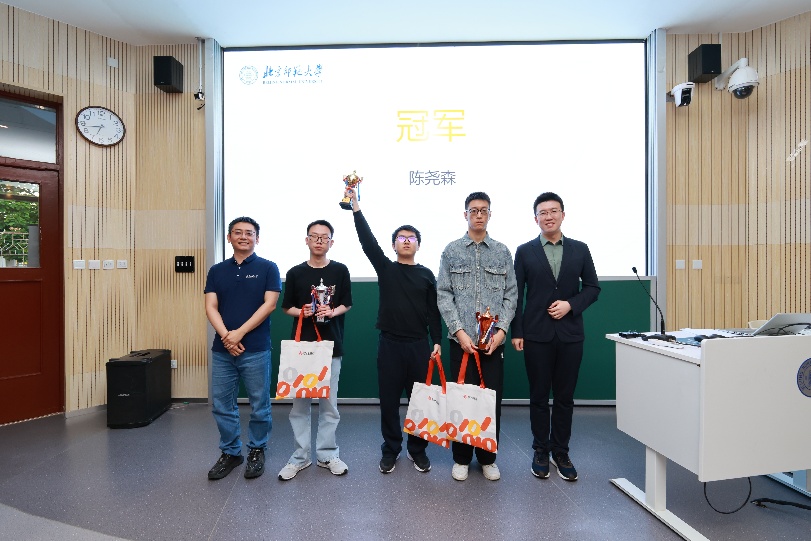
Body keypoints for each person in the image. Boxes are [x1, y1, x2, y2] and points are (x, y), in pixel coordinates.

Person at [345, 187, 442, 474]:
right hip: (389, 345)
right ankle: (391, 449)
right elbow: (368, 242)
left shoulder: (427, 274)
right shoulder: (386, 268)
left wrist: (437, 340)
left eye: (411, 238)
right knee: (388, 402)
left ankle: (417, 450)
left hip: (419, 345)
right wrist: (356, 208)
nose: (407, 241)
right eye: (401, 238)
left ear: (418, 245)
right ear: (393, 245)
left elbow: (433, 312)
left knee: (419, 402)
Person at [510, 192, 600, 481]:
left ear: (563, 214)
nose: (548, 216)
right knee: (538, 396)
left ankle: (560, 451)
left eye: (553, 211)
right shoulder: (525, 251)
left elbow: (593, 288)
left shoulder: (580, 249)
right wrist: (517, 331)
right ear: (535, 218)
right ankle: (540, 450)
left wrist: (570, 305)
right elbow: (515, 294)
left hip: (570, 334)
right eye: (543, 212)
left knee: (564, 397)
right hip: (536, 334)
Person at [437, 191, 517, 481]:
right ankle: (461, 458)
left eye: (484, 210)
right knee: (461, 401)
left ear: (490, 214)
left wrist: (502, 331)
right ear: (466, 215)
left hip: (492, 344)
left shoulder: (502, 252)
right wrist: (458, 332)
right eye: (474, 210)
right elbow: (443, 294)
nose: (479, 215)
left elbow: (511, 295)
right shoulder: (451, 251)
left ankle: (487, 458)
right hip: (461, 342)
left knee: (489, 401)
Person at [204, 217, 282, 480]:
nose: (244, 237)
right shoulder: (217, 270)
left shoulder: (268, 268)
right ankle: (231, 452)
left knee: (260, 405)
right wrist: (227, 337)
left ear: (257, 238)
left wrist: (239, 333)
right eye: (237, 232)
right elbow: (210, 306)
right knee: (222, 405)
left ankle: (257, 450)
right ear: (229, 238)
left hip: (256, 349)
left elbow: (269, 305)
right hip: (222, 350)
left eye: (249, 233)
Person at [277, 220, 352, 480]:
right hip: (302, 348)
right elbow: (286, 307)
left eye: (324, 237)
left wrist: (332, 311)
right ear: (307, 240)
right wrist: (303, 311)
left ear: (331, 242)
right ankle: (300, 456)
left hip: (331, 346)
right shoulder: (295, 272)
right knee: (300, 405)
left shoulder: (340, 270)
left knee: (329, 405)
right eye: (314, 236)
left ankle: (327, 454)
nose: (319, 241)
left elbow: (347, 303)